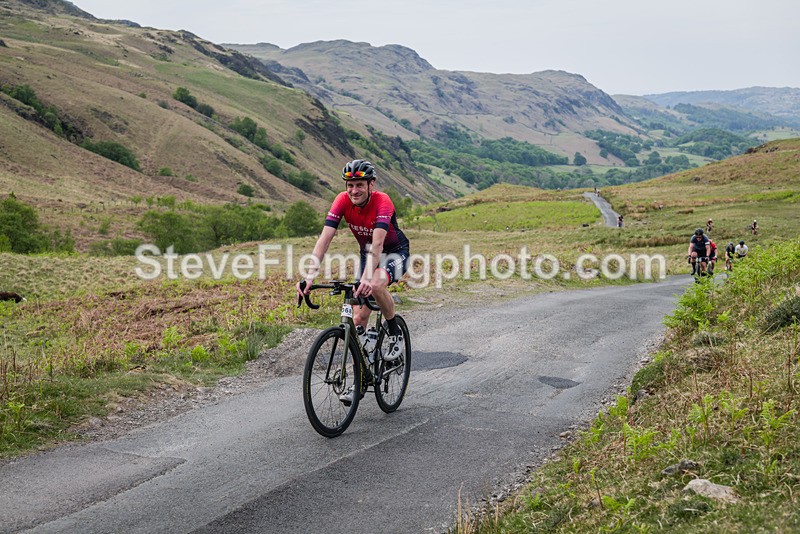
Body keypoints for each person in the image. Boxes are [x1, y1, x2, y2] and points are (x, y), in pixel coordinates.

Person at [296, 160, 410, 404]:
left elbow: (378, 245)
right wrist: (309, 276)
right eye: (350, 185)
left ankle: (393, 333)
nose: (354, 190)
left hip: (394, 252)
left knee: (376, 284)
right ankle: (361, 377)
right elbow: (324, 239)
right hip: (366, 253)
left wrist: (368, 278)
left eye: (359, 185)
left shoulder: (383, 202)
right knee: (357, 319)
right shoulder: (342, 200)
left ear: (371, 184)